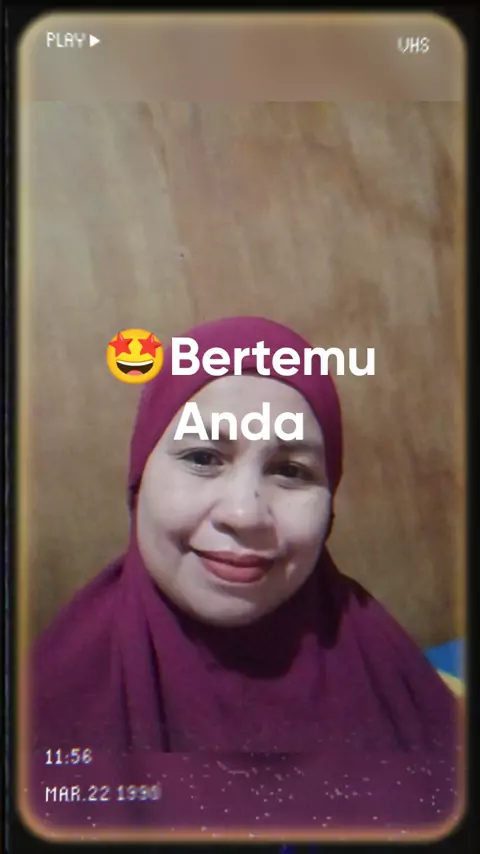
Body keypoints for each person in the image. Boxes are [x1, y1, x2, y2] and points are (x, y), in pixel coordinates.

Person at [26, 316, 461, 838]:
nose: (245, 513)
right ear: (140, 479)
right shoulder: (50, 702)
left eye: (291, 470)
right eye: (203, 457)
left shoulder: (382, 656)